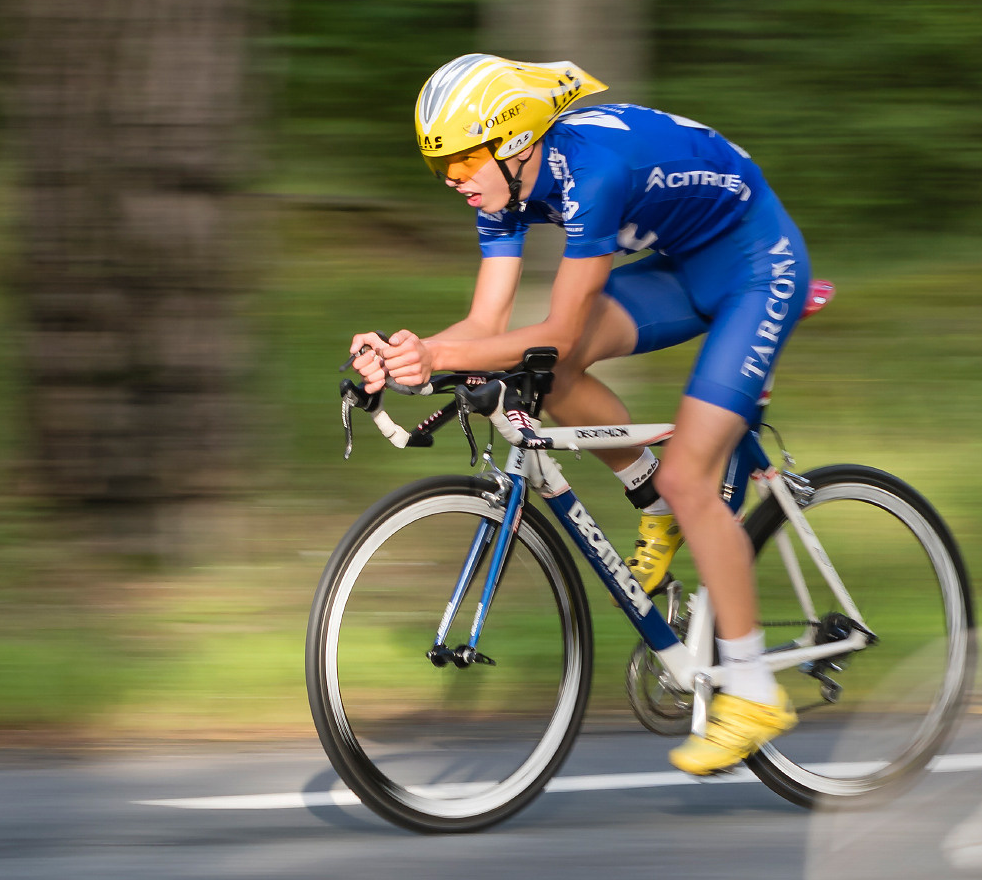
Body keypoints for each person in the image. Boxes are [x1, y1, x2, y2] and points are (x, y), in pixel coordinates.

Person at [346, 53, 811, 776]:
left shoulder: (593, 171)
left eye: (462, 160)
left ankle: (753, 691)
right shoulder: (502, 190)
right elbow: (486, 324)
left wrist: (439, 356)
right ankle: (655, 503)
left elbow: (559, 330)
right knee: (546, 375)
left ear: (514, 143)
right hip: (684, 264)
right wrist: (411, 354)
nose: (453, 179)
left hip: (758, 264)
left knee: (690, 474)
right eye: (440, 166)